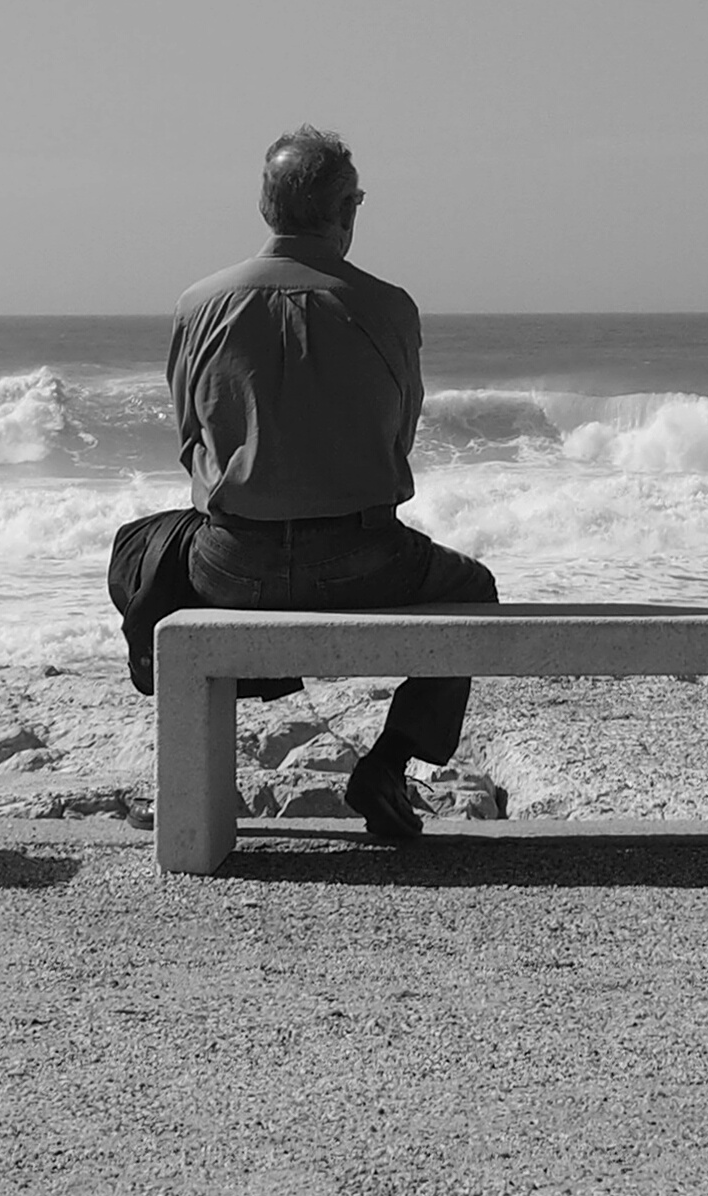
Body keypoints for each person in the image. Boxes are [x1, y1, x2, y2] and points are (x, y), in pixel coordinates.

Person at [165, 127, 497, 846]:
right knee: (471, 587)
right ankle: (387, 762)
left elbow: (190, 435)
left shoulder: (200, 303)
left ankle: (218, 726)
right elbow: (397, 437)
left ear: (265, 205)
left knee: (144, 551)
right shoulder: (388, 307)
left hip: (231, 566)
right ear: (346, 209)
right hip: (362, 561)